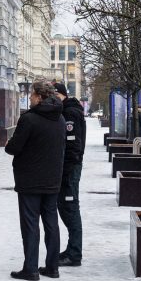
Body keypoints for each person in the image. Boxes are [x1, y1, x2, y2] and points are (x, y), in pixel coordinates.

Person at [5, 79, 66, 281]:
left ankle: (30, 268)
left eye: (31, 95)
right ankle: (52, 267)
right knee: (51, 224)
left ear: (39, 97)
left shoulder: (29, 119)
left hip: (30, 180)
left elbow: (13, 147)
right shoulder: (60, 119)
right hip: (52, 179)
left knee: (30, 224)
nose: (29, 98)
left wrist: (10, 143)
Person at [54, 82, 86, 267]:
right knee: (66, 206)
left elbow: (73, 146)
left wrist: (65, 171)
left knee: (70, 207)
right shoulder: (68, 110)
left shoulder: (70, 113)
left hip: (70, 168)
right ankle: (72, 249)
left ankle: (74, 253)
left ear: (60, 95)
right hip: (69, 167)